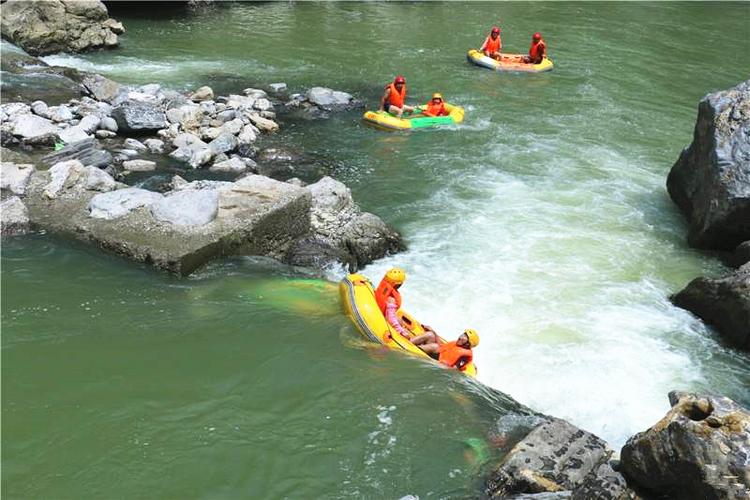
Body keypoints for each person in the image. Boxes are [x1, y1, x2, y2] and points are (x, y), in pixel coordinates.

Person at [411, 328, 479, 371]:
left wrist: (431, 363)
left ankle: (411, 348)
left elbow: (453, 370)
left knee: (435, 347)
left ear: (468, 343)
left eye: (464, 337)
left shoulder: (464, 356)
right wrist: (434, 332)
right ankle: (410, 341)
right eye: (463, 334)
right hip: (439, 355)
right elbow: (443, 346)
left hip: (438, 363)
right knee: (430, 335)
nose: (461, 337)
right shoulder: (457, 344)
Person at [374, 267, 412, 338]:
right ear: (398, 285)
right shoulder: (391, 299)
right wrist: (402, 331)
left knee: (400, 320)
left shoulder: (383, 289)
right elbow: (391, 319)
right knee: (399, 322)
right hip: (385, 322)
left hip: (380, 314)